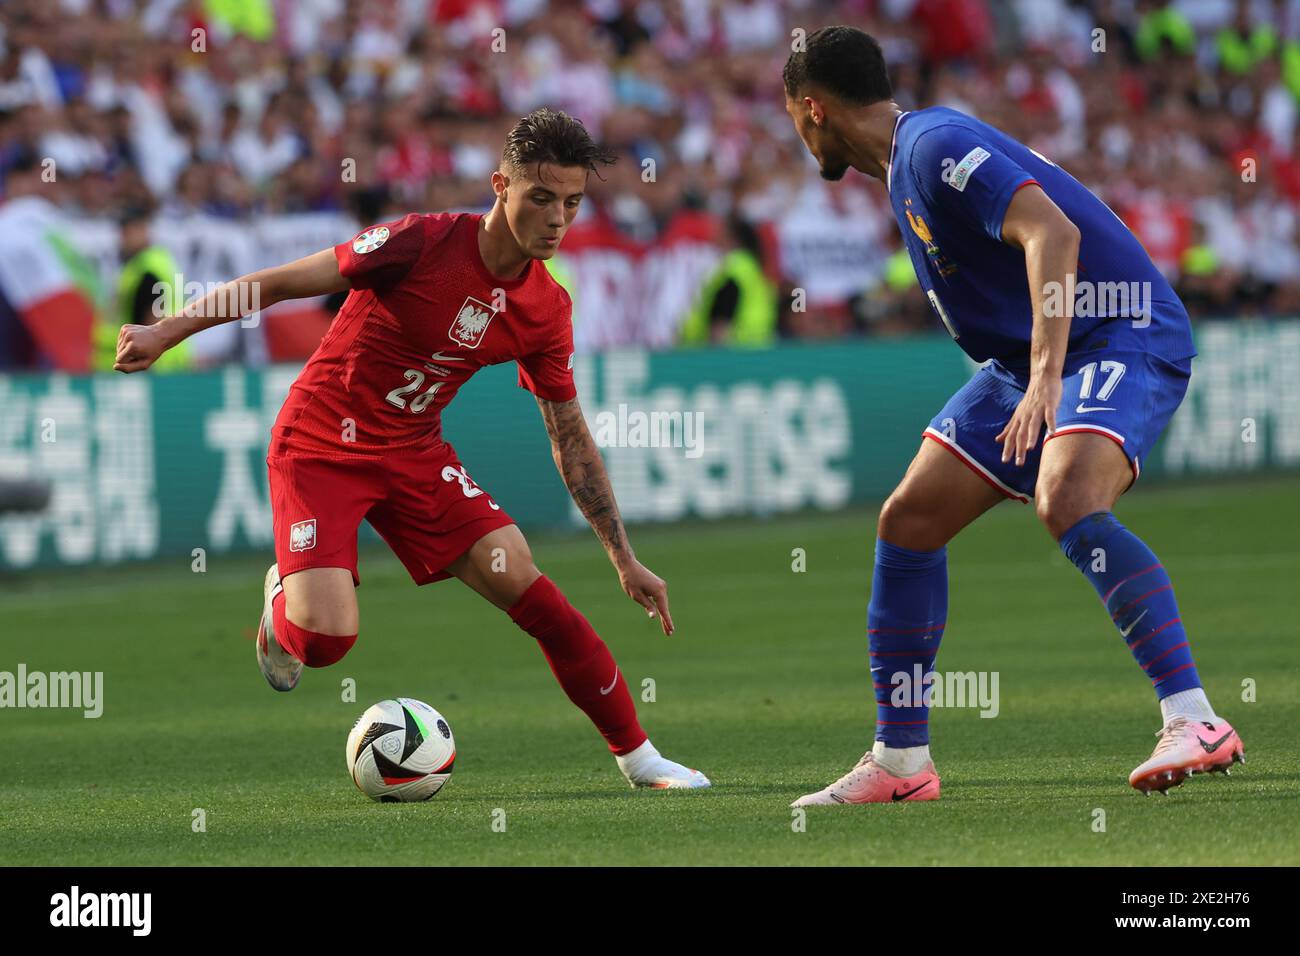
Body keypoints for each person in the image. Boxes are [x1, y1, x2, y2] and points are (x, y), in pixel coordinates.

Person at [114, 107, 709, 791]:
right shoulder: (418, 243)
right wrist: (167, 332)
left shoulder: (547, 308)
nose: (557, 218)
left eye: (571, 203)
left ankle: (640, 760)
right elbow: (277, 283)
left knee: (525, 578)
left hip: (413, 453)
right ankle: (282, 605)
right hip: (319, 444)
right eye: (541, 198)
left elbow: (568, 436)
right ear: (500, 186)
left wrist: (623, 558)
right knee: (328, 641)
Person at [781, 26, 1243, 805]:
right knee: (910, 520)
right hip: (1033, 355)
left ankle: (1194, 717)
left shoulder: (931, 146)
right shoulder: (905, 166)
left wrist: (1044, 375)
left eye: (792, 116)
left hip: (1117, 335)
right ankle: (901, 762)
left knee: (1067, 499)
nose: (795, 133)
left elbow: (1051, 233)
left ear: (814, 109)